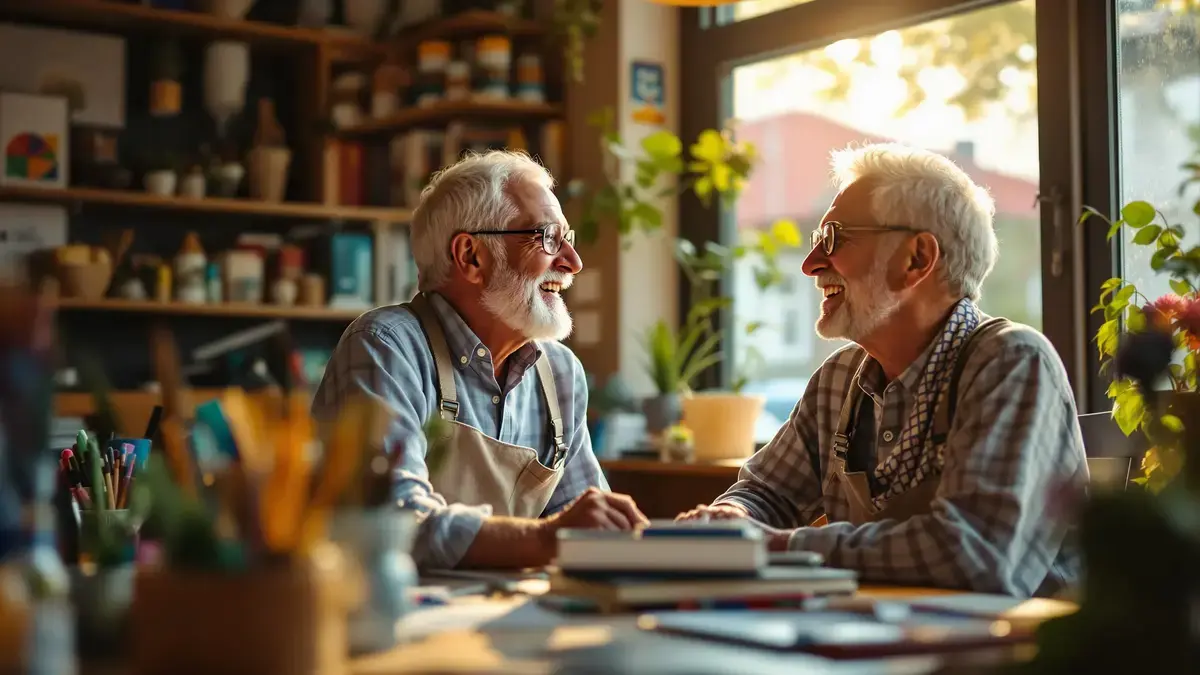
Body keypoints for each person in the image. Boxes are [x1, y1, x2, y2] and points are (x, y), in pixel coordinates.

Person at [678, 143, 1086, 597]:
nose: (810, 264)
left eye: (833, 238)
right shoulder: (838, 378)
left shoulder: (1012, 362)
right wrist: (734, 518)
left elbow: (974, 554)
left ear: (916, 259)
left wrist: (778, 545)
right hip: (888, 642)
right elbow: (767, 494)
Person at [313, 150, 647, 571]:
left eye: (568, 238)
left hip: (504, 621)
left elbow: (586, 527)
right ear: (471, 256)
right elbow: (389, 522)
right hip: (397, 620)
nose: (572, 263)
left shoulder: (561, 373)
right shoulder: (385, 346)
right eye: (546, 236)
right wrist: (547, 537)